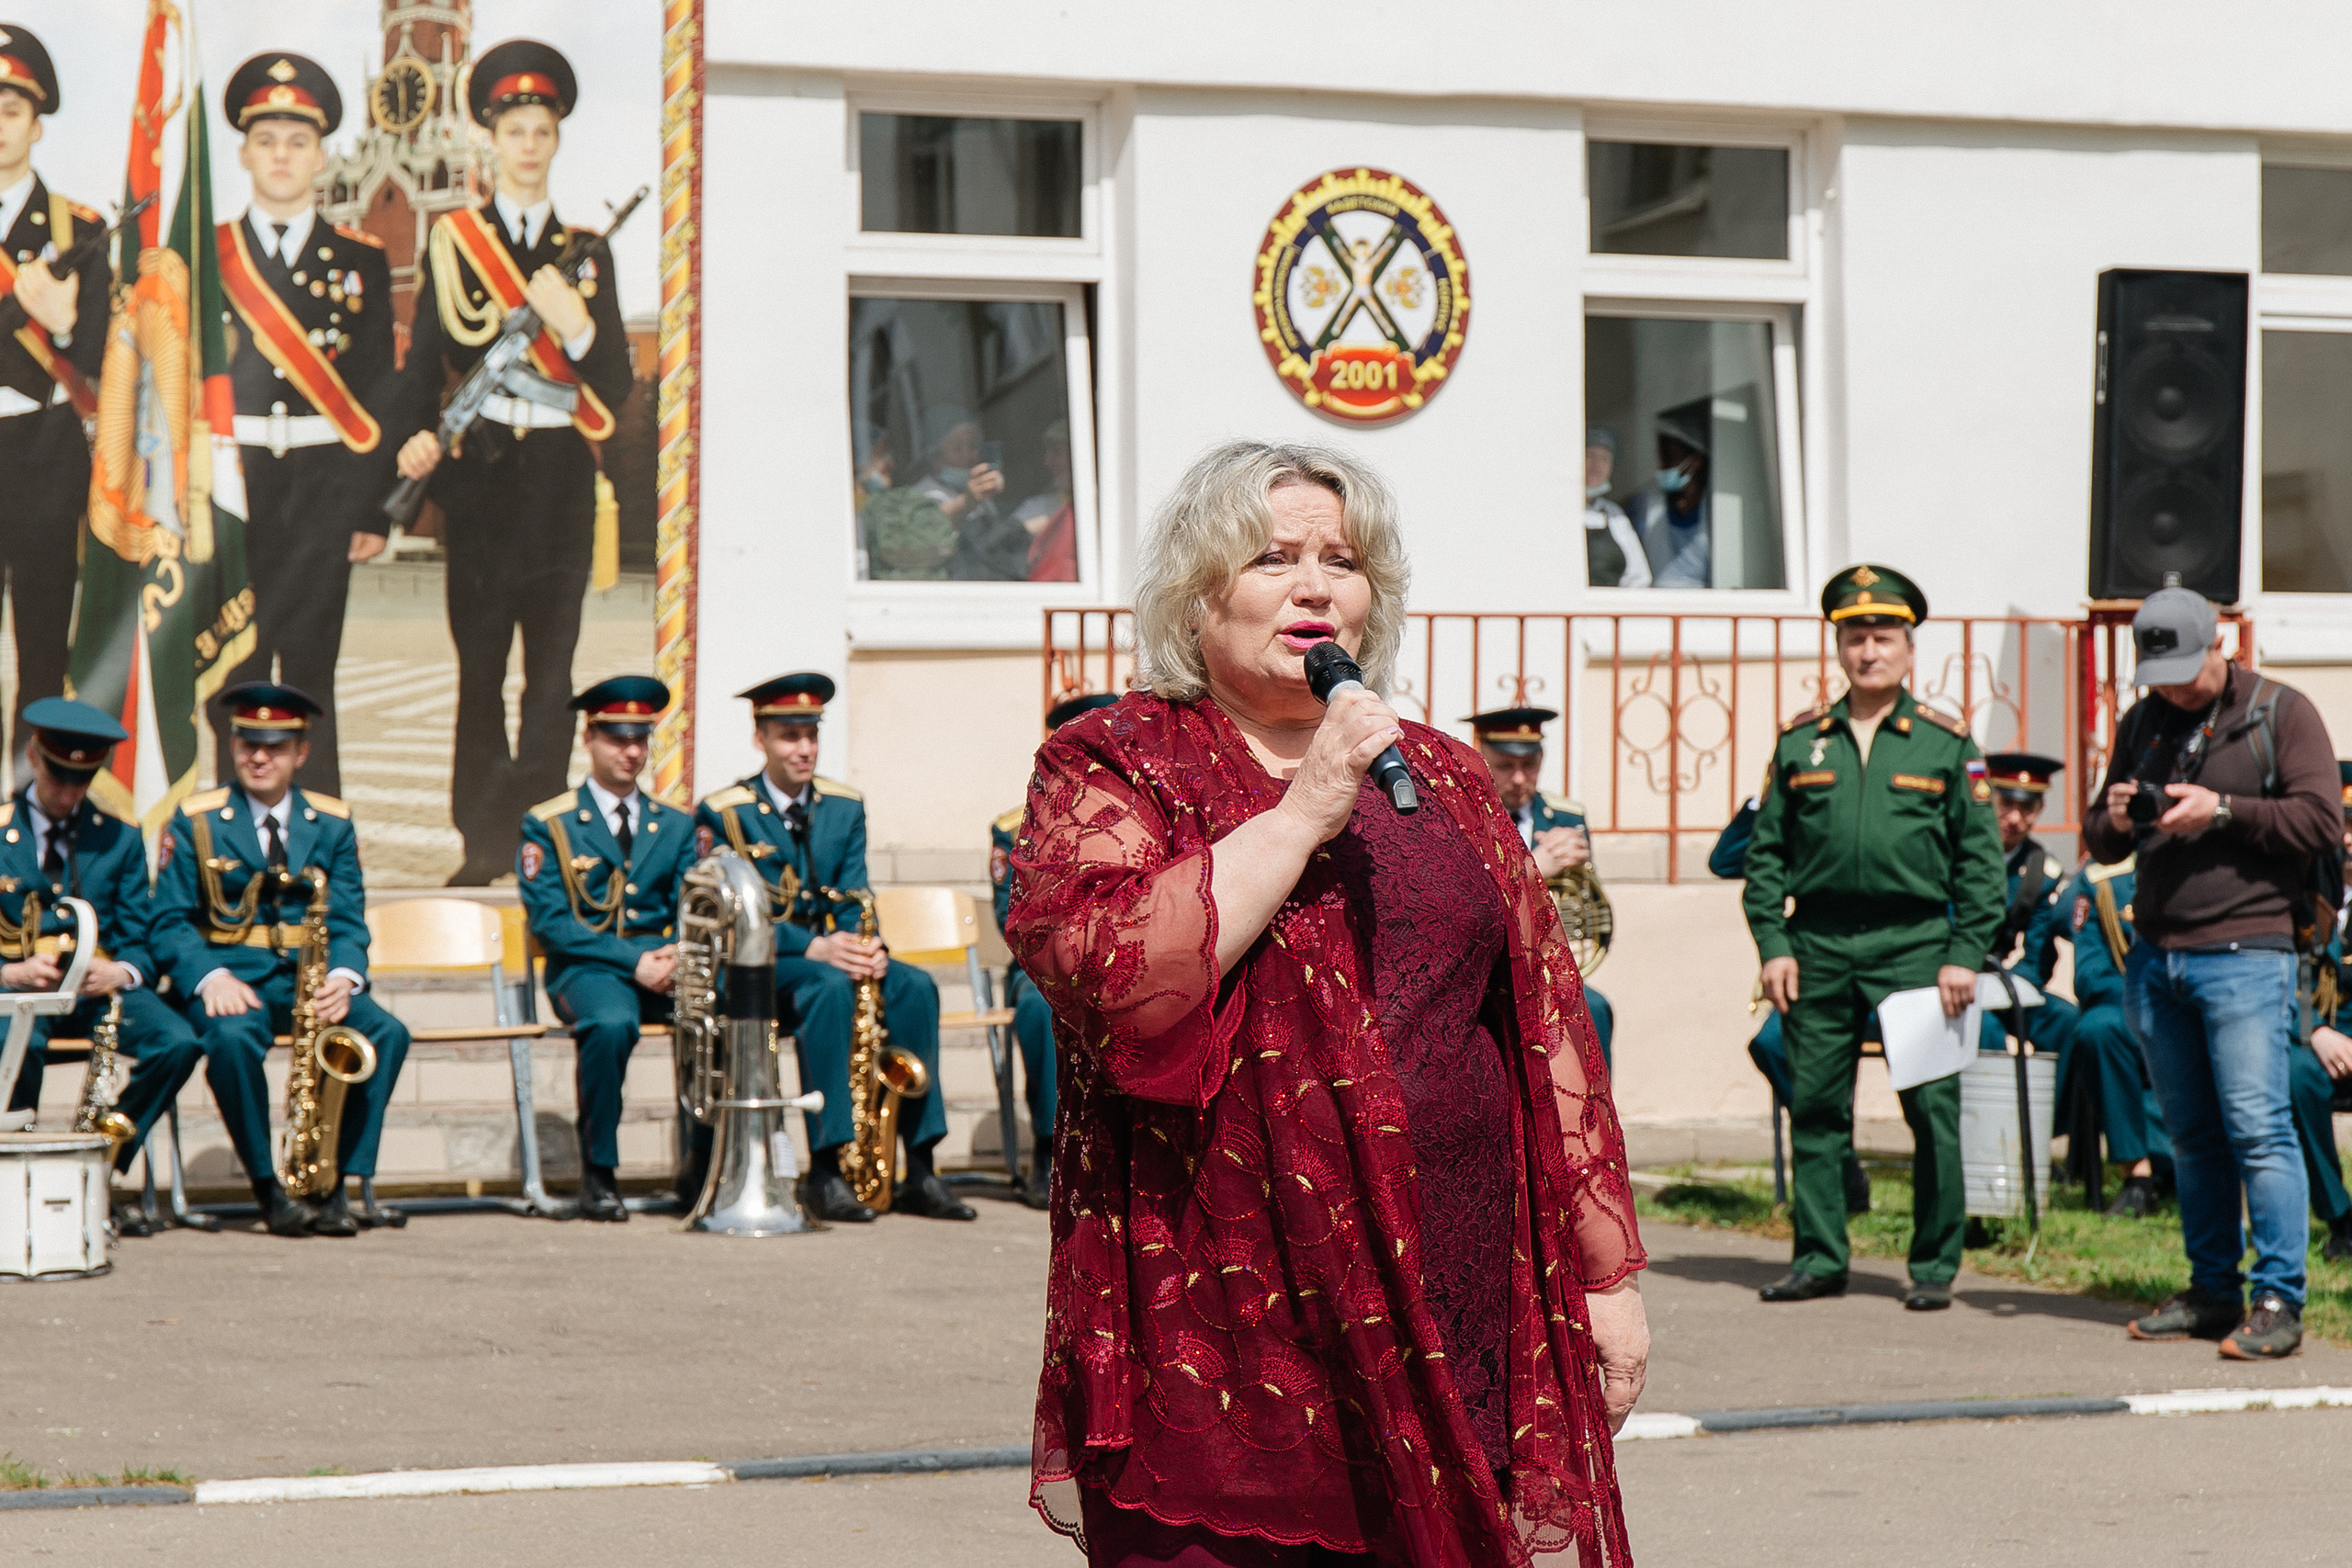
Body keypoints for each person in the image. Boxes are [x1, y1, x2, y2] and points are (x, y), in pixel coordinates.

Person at [1007, 439, 1645, 1565]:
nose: (1314, 586)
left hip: (1455, 1293)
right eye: (1271, 558)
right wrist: (1305, 808)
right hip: (1231, 1311)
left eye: (1340, 562)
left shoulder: (1442, 773)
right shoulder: (1114, 760)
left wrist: (1603, 1279)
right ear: (1197, 594)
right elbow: (1105, 972)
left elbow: (1544, 1028)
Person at [391, 39, 632, 886]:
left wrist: (579, 327)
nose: (528, 144)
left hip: (562, 477)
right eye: (514, 129)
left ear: (557, 139)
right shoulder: (455, 243)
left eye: (542, 129)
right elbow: (424, 363)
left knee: (553, 672)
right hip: (485, 480)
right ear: (492, 141)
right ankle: (482, 839)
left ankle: (536, 835)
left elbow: (618, 383)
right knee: (481, 665)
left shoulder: (588, 252)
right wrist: (414, 436)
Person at [2085, 583, 2339, 1360]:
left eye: (2183, 670)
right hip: (2159, 956)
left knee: (2258, 1130)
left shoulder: (2281, 712)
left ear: (2221, 645)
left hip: (2246, 955)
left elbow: (2322, 819)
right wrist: (2122, 815)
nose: (2170, 686)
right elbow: (2100, 839)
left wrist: (2222, 809)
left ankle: (2278, 1300)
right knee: (2192, 1137)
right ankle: (2210, 1290)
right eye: (2157, 673)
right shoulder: (2144, 721)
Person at [1743, 564, 2006, 1312]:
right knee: (1818, 1109)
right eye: (1854, 636)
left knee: (1930, 1109)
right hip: (1817, 945)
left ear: (1908, 649)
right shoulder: (1801, 744)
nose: (1868, 651)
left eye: (1882, 636)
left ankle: (1933, 1266)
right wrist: (1774, 944)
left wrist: (1963, 954)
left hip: (1917, 949)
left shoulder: (1945, 744)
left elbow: (1981, 866)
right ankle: (1821, 1255)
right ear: (1839, 647)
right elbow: (1766, 858)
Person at [693, 673, 970, 1225]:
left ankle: (919, 1164)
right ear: (760, 739)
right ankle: (826, 1168)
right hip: (763, 963)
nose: (804, 749)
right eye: (789, 736)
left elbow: (854, 890)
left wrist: (869, 948)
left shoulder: (844, 807)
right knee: (826, 988)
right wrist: (817, 947)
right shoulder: (724, 813)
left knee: (915, 985)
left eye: (811, 736)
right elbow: (725, 916)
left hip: (836, 953)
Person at [150, 684, 413, 1238]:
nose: (259, 757)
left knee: (383, 1033)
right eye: (248, 743)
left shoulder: (333, 823)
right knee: (228, 1040)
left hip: (310, 982)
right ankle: (270, 1191)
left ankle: (333, 1182)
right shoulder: (196, 821)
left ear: (301, 753)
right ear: (233, 746)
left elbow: (347, 918)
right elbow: (168, 921)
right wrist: (210, 977)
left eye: (275, 746)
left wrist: (345, 978)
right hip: (234, 983)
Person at [210, 52, 397, 796]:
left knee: (313, 669)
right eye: (267, 141)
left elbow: (379, 390)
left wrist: (372, 507)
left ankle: (322, 841)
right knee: (233, 668)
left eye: (297, 141)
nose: (282, 156)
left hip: (323, 489)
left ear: (321, 154)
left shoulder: (361, 260)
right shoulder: (206, 254)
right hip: (234, 487)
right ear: (244, 152)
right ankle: (226, 839)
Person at [0, 699, 205, 1235]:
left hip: (97, 993)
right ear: (33, 758)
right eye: (59, 777)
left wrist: (123, 973)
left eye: (82, 780)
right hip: (17, 994)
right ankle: (13, 1188)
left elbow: (142, 935)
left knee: (178, 1041)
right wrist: (9, 972)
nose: (69, 793)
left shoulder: (116, 835)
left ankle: (100, 1164)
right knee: (14, 1044)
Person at [516, 677, 693, 1222]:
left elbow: (693, 907)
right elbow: (552, 923)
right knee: (612, 1024)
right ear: (588, 738)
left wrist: (677, 955)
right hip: (586, 970)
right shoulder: (549, 824)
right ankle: (600, 1172)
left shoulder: (678, 824)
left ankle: (707, 1166)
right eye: (618, 739)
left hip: (663, 967)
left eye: (640, 739)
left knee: (724, 1013)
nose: (632, 752)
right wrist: (633, 962)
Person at [0, 28, 107, 742]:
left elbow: (108, 357)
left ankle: (28, 821)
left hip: (42, 452)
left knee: (43, 646)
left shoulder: (82, 228)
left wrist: (66, 325)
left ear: (37, 125)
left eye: (10, 109)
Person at [1712, 794, 1872, 1214]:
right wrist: (1762, 803)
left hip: (1891, 976)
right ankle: (1838, 1159)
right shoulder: (1796, 816)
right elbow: (1726, 861)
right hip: (1822, 976)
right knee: (1771, 1042)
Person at [989, 691, 1116, 1209]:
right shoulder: (1014, 823)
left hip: (1119, 959)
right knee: (1042, 1005)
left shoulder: (1142, 809)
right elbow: (1010, 913)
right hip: (1041, 964)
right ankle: (1049, 1144)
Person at [1468, 705, 1615, 1063]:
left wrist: (1582, 864)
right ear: (1480, 757)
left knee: (1594, 1009)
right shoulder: (1466, 815)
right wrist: (1536, 870)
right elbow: (1470, 895)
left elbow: (1585, 905)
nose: (1520, 779)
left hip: (1545, 967)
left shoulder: (1567, 815)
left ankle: (1595, 1115)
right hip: (1483, 968)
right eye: (1505, 766)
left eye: (1529, 765)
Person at [2053, 853, 2176, 1217]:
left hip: (2189, 1006)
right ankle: (2137, 1178)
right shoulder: (2101, 880)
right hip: (2127, 1006)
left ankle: (2176, 1167)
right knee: (2098, 1029)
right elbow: (2090, 971)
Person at [2286, 762, 2352, 1261]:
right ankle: (2341, 1217)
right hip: (2329, 1041)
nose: (2350, 840)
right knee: (2295, 1073)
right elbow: (2289, 977)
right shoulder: (2304, 898)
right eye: (2345, 825)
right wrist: (2314, 1032)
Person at [1976, 753, 2078, 1064]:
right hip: (1954, 980)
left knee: (2068, 1023)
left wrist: (2001, 988)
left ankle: (2057, 1113)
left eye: (2027, 808)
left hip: (2005, 984)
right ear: (1988, 799)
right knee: (1985, 1032)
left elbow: (2037, 956)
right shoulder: (1960, 855)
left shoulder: (2041, 872)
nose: (2015, 819)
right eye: (2006, 804)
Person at [862, 410, 1014, 581]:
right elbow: (920, 534)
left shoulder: (980, 495)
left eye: (972, 447)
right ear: (935, 458)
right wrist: (966, 502)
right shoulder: (920, 497)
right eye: (957, 448)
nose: (968, 456)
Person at [1627, 411, 1711, 589]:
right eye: (1658, 456)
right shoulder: (1644, 506)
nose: (1659, 465)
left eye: (1669, 456)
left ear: (1695, 461)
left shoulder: (1717, 510)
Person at [1581, 425, 1648, 590]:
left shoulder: (1614, 514)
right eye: (1590, 455)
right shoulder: (1555, 509)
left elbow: (1639, 576)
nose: (1597, 465)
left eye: (1605, 459)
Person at [1012, 419, 1079, 583]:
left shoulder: (1105, 508)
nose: (1047, 462)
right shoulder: (1036, 507)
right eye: (1047, 453)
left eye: (1057, 452)